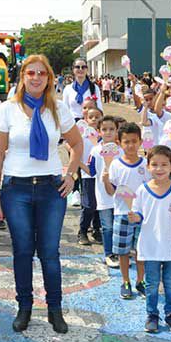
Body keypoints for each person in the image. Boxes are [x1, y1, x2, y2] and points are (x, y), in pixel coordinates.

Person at [0, 54, 82, 334]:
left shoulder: (58, 109)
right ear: (23, 77)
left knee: (49, 252)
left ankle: (55, 309)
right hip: (16, 189)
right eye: (31, 73)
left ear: (49, 78)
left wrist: (71, 175)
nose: (36, 77)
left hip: (50, 189)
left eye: (42, 73)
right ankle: (24, 308)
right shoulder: (8, 109)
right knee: (22, 251)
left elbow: (77, 144)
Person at [130, 145, 171, 333]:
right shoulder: (143, 190)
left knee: (170, 283)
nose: (159, 168)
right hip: (151, 246)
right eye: (154, 164)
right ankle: (152, 315)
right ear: (148, 167)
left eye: (164, 164)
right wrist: (134, 217)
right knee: (152, 284)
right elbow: (139, 214)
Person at [103, 122, 149, 298]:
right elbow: (111, 191)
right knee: (123, 251)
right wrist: (105, 181)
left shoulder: (146, 164)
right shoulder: (115, 165)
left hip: (141, 215)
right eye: (126, 142)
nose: (130, 145)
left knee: (141, 250)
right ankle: (126, 281)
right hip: (122, 214)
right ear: (119, 143)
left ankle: (140, 280)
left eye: (134, 141)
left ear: (140, 142)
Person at [88, 115, 119, 268]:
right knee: (108, 227)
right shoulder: (95, 151)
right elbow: (91, 171)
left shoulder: (121, 151)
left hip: (120, 196)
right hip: (103, 195)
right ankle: (109, 254)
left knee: (119, 226)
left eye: (111, 129)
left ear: (117, 130)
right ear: (99, 131)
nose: (108, 132)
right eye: (104, 129)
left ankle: (120, 252)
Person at [78, 104, 104, 245]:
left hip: (101, 176)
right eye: (91, 117)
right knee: (89, 205)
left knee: (100, 204)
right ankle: (82, 231)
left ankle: (96, 229)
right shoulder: (82, 136)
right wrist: (80, 165)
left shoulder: (104, 137)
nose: (94, 119)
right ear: (86, 119)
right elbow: (71, 148)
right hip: (87, 175)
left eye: (97, 117)